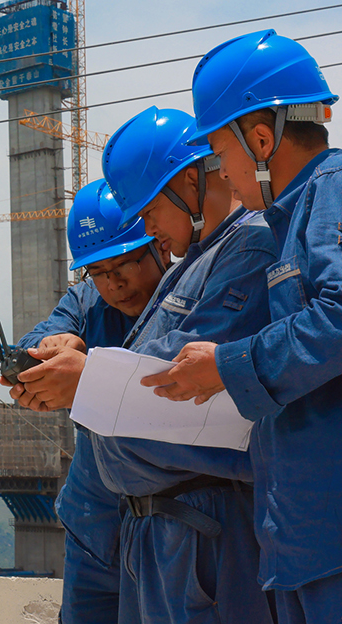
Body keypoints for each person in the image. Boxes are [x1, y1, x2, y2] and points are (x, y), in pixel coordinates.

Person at [142, 29, 342, 624]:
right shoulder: (290, 221)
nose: (222, 173)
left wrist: (227, 365)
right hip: (306, 545)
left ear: (261, 138)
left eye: (221, 152)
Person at [92, 106, 277, 624]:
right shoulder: (193, 262)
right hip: (156, 531)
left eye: (149, 208)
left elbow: (181, 373)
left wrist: (87, 378)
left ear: (190, 179)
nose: (147, 227)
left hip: (207, 526)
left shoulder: (251, 247)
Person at [4, 179, 167, 624]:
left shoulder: (188, 297)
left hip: (169, 522)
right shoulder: (86, 301)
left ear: (159, 245)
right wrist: (48, 347)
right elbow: (37, 340)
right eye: (98, 272)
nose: (114, 284)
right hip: (93, 520)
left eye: (124, 266)